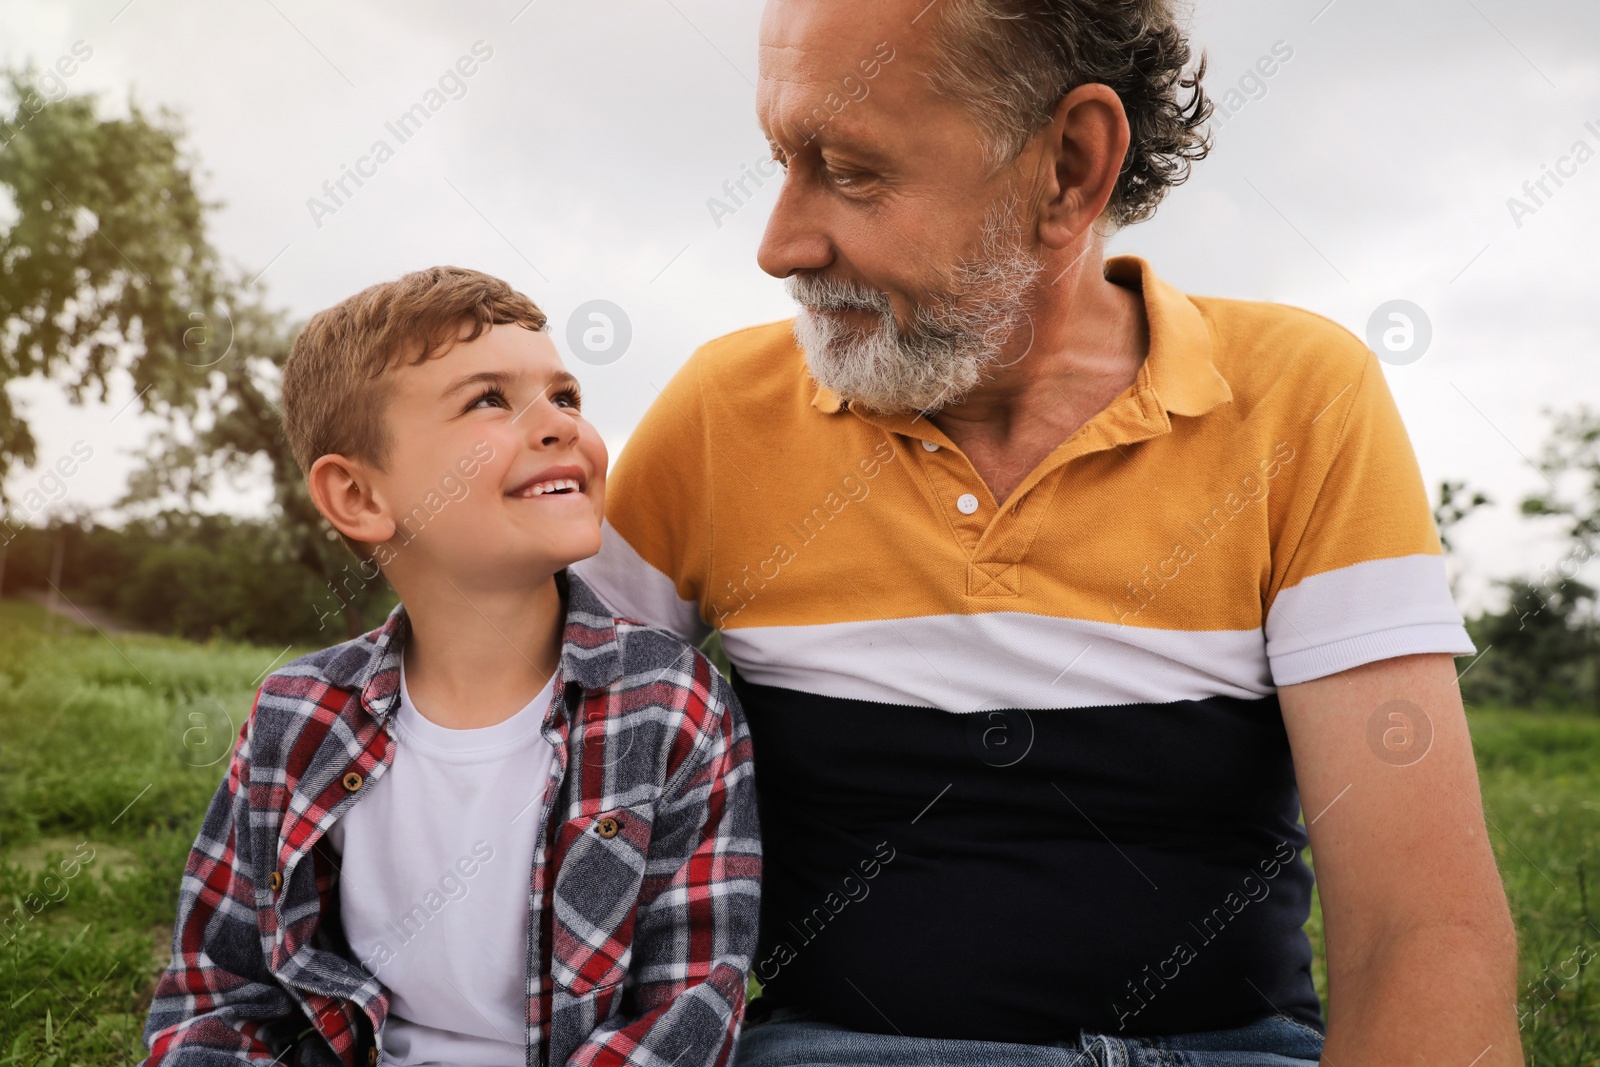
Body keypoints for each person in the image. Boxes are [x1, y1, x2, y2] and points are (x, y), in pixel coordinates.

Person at [572, 1, 1522, 1064]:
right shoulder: (719, 413)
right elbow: (510, 751)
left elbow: (1423, 927)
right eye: (783, 160)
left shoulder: (1301, 398)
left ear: (1069, 166)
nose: (778, 244)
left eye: (851, 171)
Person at [142, 267, 762, 1067]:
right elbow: (218, 995)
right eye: (488, 399)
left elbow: (692, 1007)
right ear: (360, 496)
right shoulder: (292, 719)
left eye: (566, 396)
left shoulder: (674, 705)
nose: (559, 425)